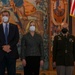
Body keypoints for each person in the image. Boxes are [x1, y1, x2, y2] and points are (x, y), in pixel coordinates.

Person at [0, 10, 19, 75]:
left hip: (11, 53)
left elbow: (16, 39)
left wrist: (9, 46)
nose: (5, 17)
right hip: (1, 54)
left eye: (6, 15)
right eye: (3, 15)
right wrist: (3, 47)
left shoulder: (14, 27)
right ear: (1, 17)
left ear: (9, 16)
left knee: (12, 72)